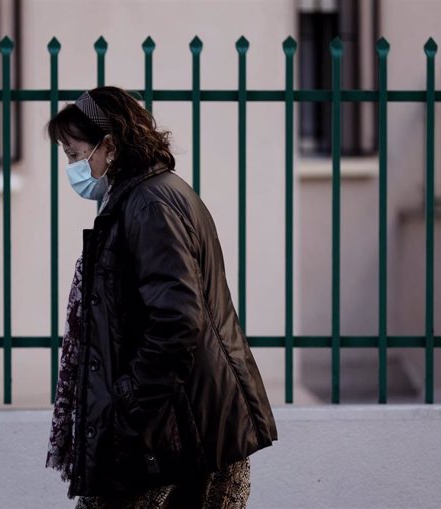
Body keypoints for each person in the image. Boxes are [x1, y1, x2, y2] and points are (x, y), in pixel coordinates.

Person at [45, 86, 277, 508]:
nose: (72, 167)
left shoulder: (149, 205)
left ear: (110, 146)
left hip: (179, 431)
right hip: (176, 424)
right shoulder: (141, 197)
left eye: (75, 154)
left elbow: (177, 321)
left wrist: (127, 403)